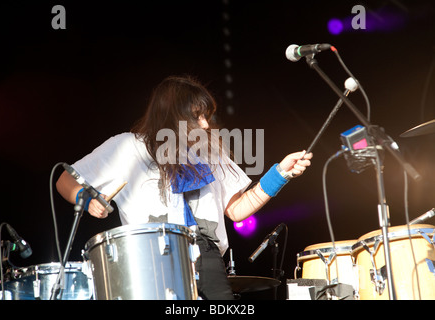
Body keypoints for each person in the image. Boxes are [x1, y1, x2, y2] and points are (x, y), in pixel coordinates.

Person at [56, 75, 313, 300]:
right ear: (171, 114)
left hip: (206, 255)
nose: (204, 124)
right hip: (149, 257)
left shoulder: (210, 151)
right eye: (197, 116)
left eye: (206, 116)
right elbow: (65, 180)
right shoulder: (127, 146)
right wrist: (87, 200)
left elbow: (236, 210)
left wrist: (280, 174)